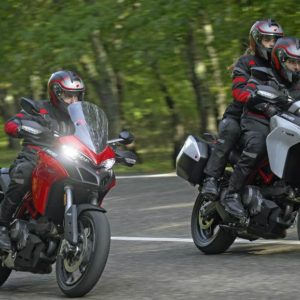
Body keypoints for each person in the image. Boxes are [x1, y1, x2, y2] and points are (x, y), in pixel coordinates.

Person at [0, 70, 85, 250]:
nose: (74, 101)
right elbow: (11, 124)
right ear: (56, 93)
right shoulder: (39, 108)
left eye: (77, 96)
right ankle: (2, 225)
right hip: (35, 157)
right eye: (69, 96)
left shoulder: (80, 118)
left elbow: (91, 136)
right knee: (25, 172)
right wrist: (21, 127)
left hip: (67, 160)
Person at [201, 19, 284, 200]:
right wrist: (263, 104)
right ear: (256, 40)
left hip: (266, 119)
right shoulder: (246, 62)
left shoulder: (281, 66)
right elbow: (239, 93)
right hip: (238, 115)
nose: (272, 43)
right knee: (230, 131)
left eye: (276, 39)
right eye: (268, 39)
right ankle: (211, 179)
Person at [221, 36, 300, 220]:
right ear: (280, 59)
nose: (296, 67)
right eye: (292, 62)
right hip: (256, 119)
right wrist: (264, 103)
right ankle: (232, 194)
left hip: (282, 122)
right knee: (258, 145)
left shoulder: (297, 82)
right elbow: (250, 91)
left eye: (299, 63)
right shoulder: (263, 73)